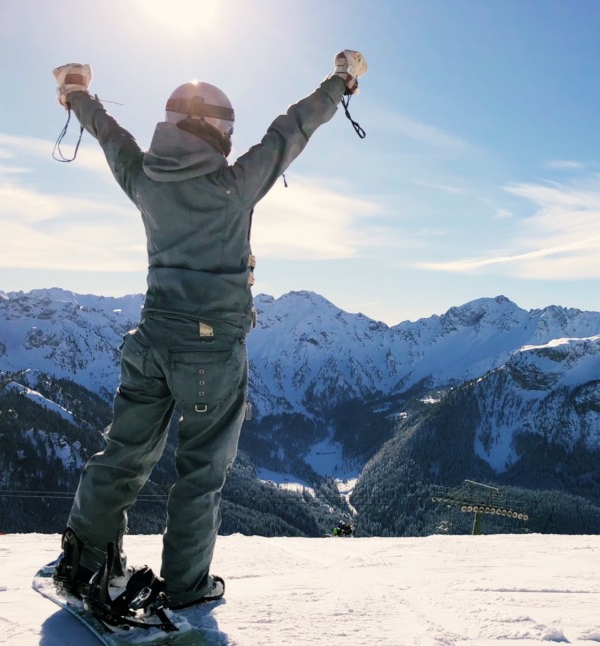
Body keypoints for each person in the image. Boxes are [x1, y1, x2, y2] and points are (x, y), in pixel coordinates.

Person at [50, 52, 368, 616]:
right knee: (200, 474)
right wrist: (340, 82)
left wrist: (76, 93)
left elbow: (108, 134)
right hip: (210, 351)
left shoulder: (144, 176)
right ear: (218, 132)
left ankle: (84, 560)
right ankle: (187, 586)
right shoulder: (233, 186)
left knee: (123, 454)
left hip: (149, 340)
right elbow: (290, 131)